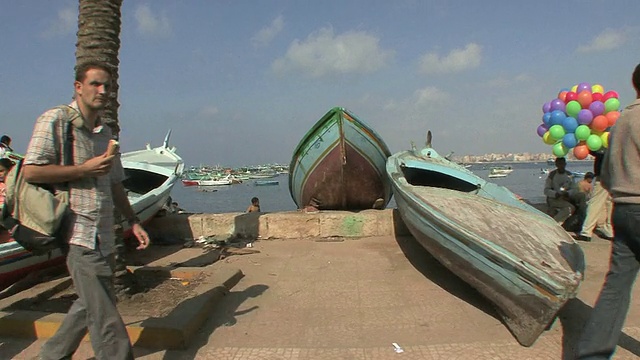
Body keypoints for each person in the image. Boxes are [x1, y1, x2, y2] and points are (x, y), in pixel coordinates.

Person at [25, 61, 150, 360]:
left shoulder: (105, 132)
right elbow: (31, 171)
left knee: (89, 304)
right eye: (95, 84)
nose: (102, 91)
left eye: (106, 85)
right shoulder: (56, 120)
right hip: (77, 234)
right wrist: (83, 169)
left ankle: (51, 356)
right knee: (105, 319)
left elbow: (116, 184)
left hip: (105, 236)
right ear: (78, 87)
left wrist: (133, 221)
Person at [576, 62, 640, 359]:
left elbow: (608, 174)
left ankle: (592, 354)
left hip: (624, 211)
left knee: (616, 287)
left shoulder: (622, 120)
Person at [575, 151, 614, 242]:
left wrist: (588, 147)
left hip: (603, 173)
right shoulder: (619, 139)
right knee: (610, 203)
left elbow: (598, 152)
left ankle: (586, 232)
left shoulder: (605, 141)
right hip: (615, 173)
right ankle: (609, 231)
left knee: (595, 203)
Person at [544, 157, 578, 224]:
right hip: (554, 199)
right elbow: (546, 190)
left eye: (562, 164)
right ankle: (555, 223)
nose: (561, 166)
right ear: (556, 164)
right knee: (570, 208)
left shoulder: (569, 175)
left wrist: (568, 193)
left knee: (570, 208)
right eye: (559, 164)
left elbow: (574, 189)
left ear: (565, 164)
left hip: (565, 198)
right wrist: (555, 194)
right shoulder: (552, 175)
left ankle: (557, 222)